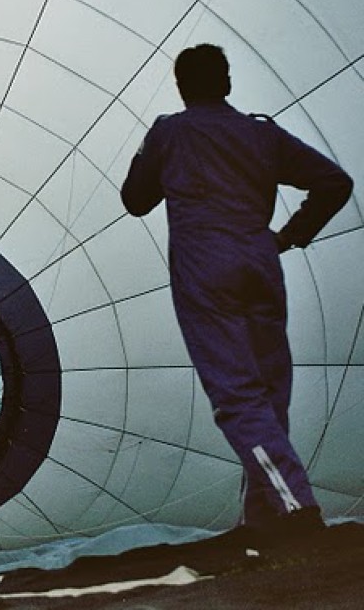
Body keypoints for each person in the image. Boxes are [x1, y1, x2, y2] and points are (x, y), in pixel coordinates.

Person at [120, 43, 353, 544]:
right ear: (226, 82)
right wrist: (287, 236)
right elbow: (335, 182)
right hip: (261, 263)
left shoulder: (170, 132)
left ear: (182, 89)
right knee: (269, 394)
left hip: (206, 269)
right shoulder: (261, 133)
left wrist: (161, 161)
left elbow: (134, 200)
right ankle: (263, 517)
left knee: (238, 397)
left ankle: (296, 508)